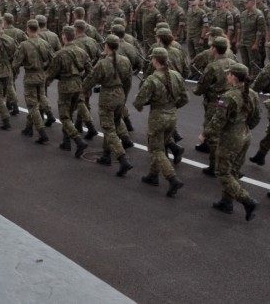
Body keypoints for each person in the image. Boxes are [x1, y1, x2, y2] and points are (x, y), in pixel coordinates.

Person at [132, 48, 188, 197]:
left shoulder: (152, 79)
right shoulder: (176, 75)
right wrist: (172, 107)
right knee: (162, 145)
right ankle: (153, 174)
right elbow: (185, 98)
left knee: (156, 149)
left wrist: (139, 106)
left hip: (158, 117)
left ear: (155, 60)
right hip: (172, 115)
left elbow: (139, 101)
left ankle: (172, 178)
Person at [209, 64, 260, 221]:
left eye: (229, 74)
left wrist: (206, 134)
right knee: (234, 171)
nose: (227, 76)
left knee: (223, 172)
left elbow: (218, 120)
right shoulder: (252, 94)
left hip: (231, 137)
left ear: (234, 77)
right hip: (245, 134)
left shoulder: (229, 96)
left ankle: (246, 200)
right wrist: (244, 128)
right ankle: (226, 202)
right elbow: (256, 117)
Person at [82, 35, 133, 176]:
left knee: (109, 129)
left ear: (107, 46)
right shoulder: (125, 61)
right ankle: (106, 155)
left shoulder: (103, 63)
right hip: (120, 94)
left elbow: (91, 79)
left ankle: (122, 159)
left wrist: (83, 90)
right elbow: (128, 81)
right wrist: (124, 96)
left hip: (108, 96)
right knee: (114, 126)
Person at [192, 36, 236, 174]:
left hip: (215, 101)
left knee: (211, 133)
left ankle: (214, 166)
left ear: (214, 49)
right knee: (227, 131)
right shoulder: (232, 62)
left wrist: (196, 91)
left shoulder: (213, 66)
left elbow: (202, 85)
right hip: (231, 100)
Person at [46, 26, 90, 158]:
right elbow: (89, 69)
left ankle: (78, 140)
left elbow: (51, 73)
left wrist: (45, 83)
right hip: (78, 84)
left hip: (65, 85)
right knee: (70, 113)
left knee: (65, 117)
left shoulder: (60, 54)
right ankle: (66, 142)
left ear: (64, 37)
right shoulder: (81, 52)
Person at [12, 19, 54, 144]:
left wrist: (16, 69)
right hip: (41, 75)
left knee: (32, 105)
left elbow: (16, 63)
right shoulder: (45, 43)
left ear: (28, 29)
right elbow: (52, 59)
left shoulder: (24, 45)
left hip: (30, 76)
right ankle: (43, 117)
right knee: (41, 96)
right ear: (38, 29)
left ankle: (42, 133)